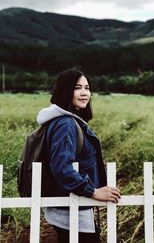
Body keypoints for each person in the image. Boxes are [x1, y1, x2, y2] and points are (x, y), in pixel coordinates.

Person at [36, 68, 121, 243]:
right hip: (71, 212)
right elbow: (61, 168)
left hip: (73, 208)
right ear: (65, 91)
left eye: (87, 88)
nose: (84, 93)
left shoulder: (65, 120)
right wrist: (93, 191)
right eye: (77, 88)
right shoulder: (65, 124)